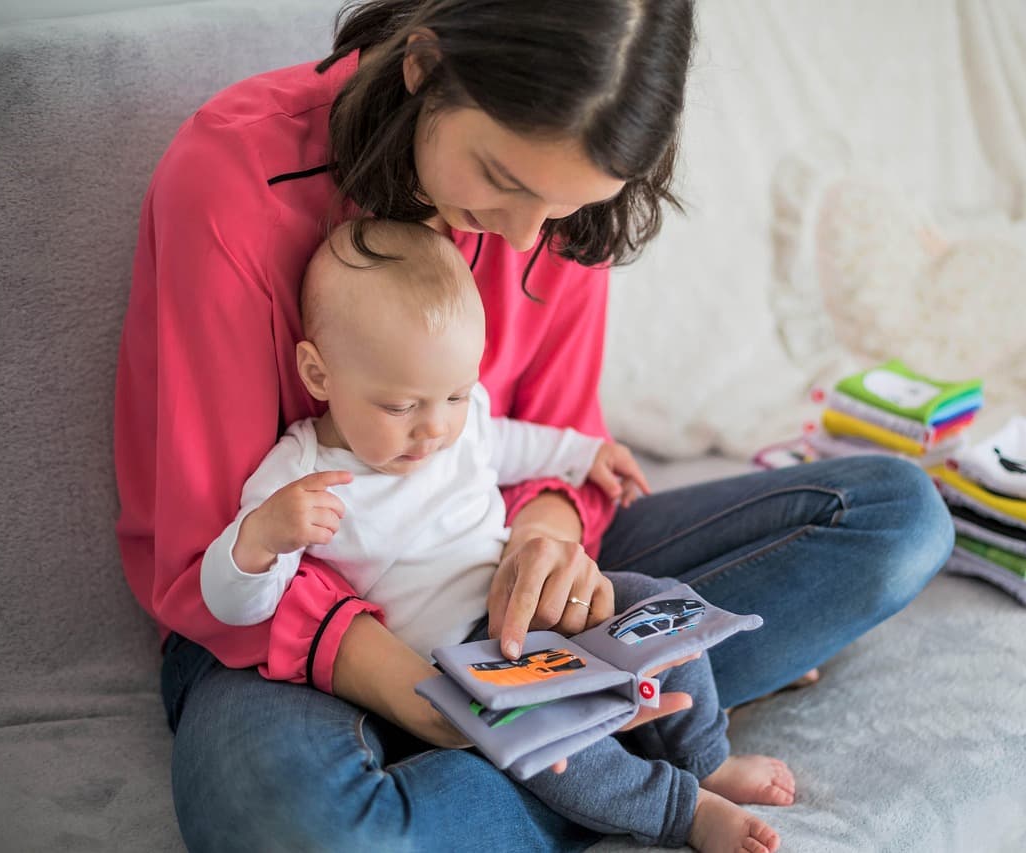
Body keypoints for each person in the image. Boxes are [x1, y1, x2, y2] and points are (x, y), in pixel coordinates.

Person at [114, 1, 955, 850]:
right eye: (504, 180)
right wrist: (421, 693)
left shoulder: (557, 207)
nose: (526, 236)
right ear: (424, 65)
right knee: (304, 832)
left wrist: (546, 543)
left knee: (899, 518)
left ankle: (575, 741)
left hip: (498, 591)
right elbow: (213, 554)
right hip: (279, 630)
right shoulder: (230, 181)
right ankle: (611, 757)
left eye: (563, 206)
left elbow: (554, 441)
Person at [199, 218, 794, 850]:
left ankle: (705, 757)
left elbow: (509, 442)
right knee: (552, 743)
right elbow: (234, 606)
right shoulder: (301, 471)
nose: (434, 431)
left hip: (530, 597)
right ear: (319, 375)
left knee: (662, 603)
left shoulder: (458, 417)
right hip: (465, 658)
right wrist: (262, 538)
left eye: (455, 396)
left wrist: (582, 453)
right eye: (400, 407)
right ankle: (680, 810)